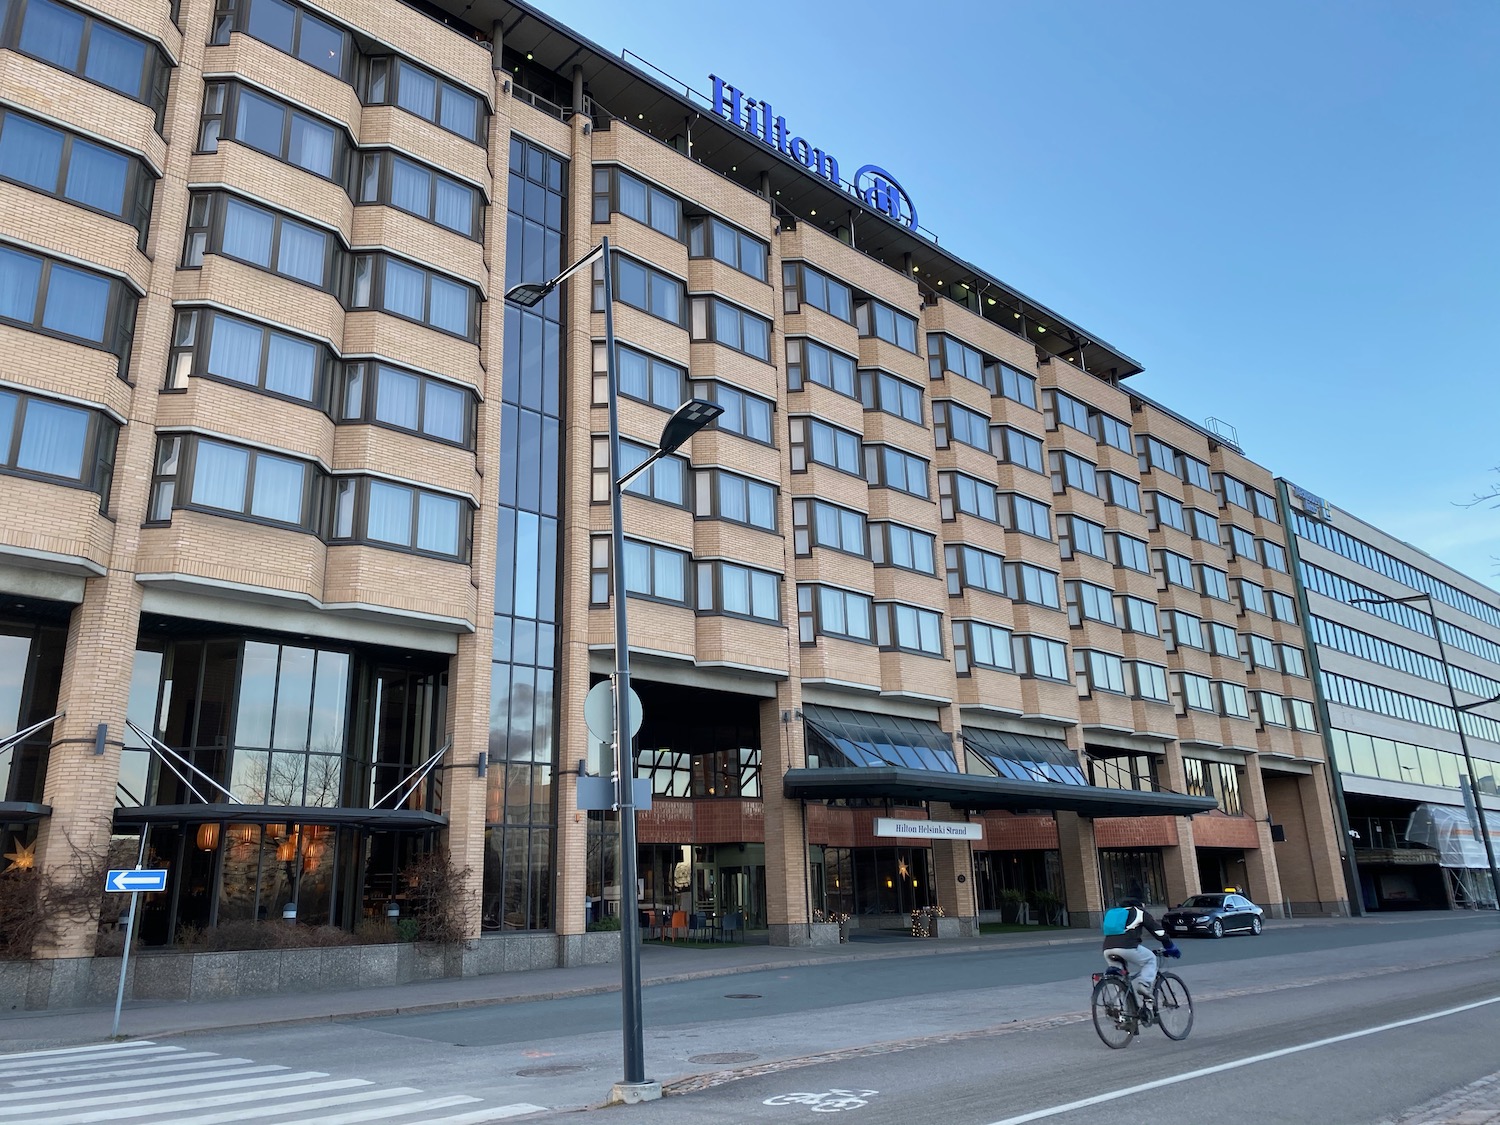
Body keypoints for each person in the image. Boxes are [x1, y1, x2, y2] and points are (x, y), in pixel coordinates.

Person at [1101, 897, 1178, 1012]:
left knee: (1119, 979)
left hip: (1107, 949)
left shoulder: (1116, 914)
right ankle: (1144, 985)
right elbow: (1159, 932)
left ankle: (1120, 1011)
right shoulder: (1138, 912)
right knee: (1150, 959)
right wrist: (1170, 947)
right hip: (1127, 946)